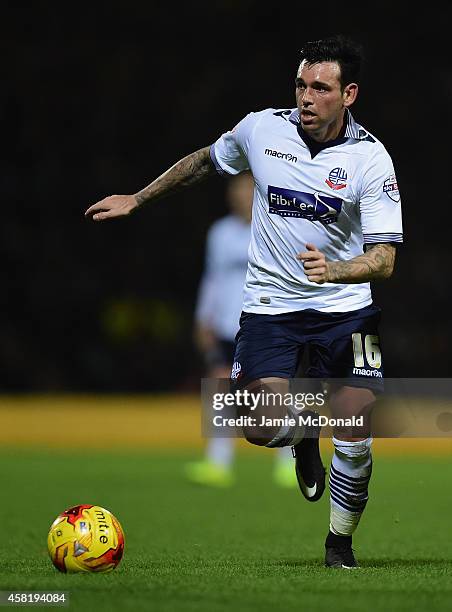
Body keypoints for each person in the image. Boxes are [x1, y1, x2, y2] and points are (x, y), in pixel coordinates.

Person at [85, 35, 403, 569]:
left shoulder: (371, 160)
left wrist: (338, 269)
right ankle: (301, 429)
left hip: (347, 307)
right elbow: (206, 161)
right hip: (271, 307)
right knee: (253, 421)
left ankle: (339, 544)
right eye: (300, 85)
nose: (305, 96)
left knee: (356, 432)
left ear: (348, 94)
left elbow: (385, 260)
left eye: (320, 88)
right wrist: (138, 198)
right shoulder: (262, 128)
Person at [186, 171, 296, 488]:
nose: (242, 196)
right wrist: (202, 318)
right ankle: (218, 463)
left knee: (274, 392)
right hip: (225, 325)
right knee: (220, 388)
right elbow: (212, 279)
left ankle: (288, 462)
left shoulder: (277, 229)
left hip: (265, 322)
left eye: (248, 190)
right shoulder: (219, 233)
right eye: (237, 190)